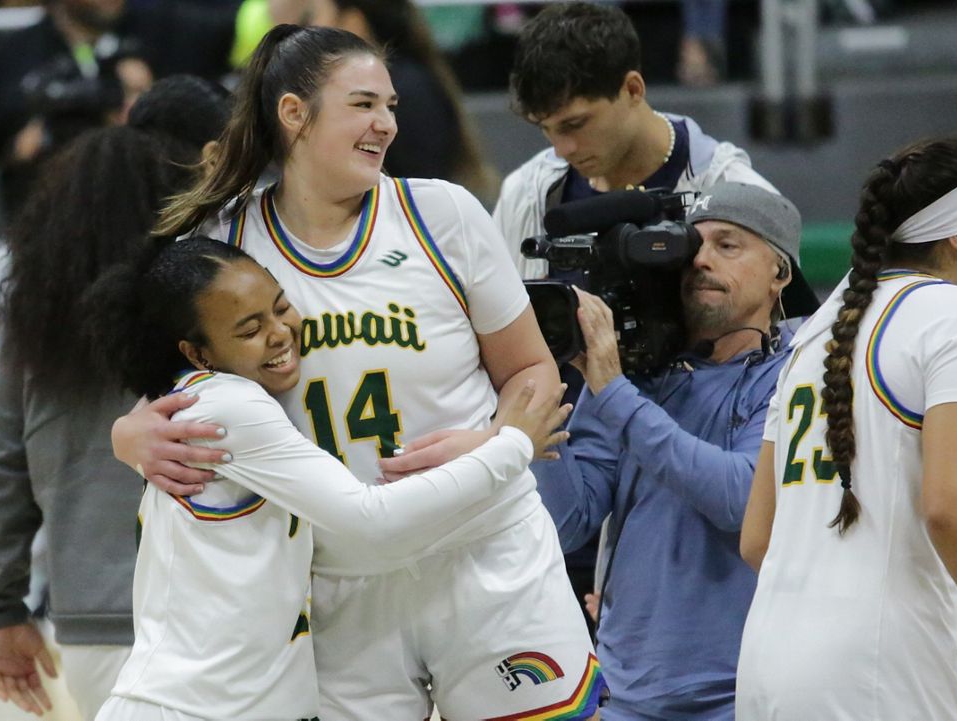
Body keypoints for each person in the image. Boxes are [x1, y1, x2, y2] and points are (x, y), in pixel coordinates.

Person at [112, 26, 603, 720]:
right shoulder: (225, 244)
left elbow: (533, 374)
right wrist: (128, 433)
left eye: (392, 106)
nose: (387, 124)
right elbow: (169, 397)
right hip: (337, 583)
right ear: (294, 114)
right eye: (365, 104)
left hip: (486, 551)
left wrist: (495, 435)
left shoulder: (443, 214)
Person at [83, 237, 568, 721]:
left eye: (281, 308)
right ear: (198, 353)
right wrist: (510, 446)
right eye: (251, 329)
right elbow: (368, 518)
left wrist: (123, 431)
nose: (279, 333)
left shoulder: (195, 403)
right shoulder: (226, 405)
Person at [735, 138, 957, 721]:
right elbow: (950, 506)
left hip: (765, 662)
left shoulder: (814, 336)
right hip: (874, 674)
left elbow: (758, 538)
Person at [532, 181, 819, 720]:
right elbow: (569, 523)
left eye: (728, 246)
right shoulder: (638, 374)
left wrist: (613, 393)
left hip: (742, 696)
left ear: (781, 273)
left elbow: (740, 498)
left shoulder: (795, 372)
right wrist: (542, 391)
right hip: (625, 694)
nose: (701, 261)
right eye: (694, 247)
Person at [0, 124, 207, 720]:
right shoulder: (203, 304)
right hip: (206, 612)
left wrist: (1, 610)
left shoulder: (34, 321)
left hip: (88, 624)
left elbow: (3, 468)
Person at [0, 0, 267, 309]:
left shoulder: (164, 24)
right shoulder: (12, 54)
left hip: (159, 252)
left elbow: (256, 26)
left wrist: (143, 105)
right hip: (48, 265)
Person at [494, 1, 776, 280]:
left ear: (632, 89)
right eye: (546, 128)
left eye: (575, 124)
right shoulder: (523, 194)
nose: (562, 148)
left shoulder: (741, 196)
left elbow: (783, 324)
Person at [269, 0, 500, 203]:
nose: (387, 126)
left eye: (312, 18)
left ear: (352, 22)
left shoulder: (410, 90)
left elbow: (418, 187)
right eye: (364, 105)